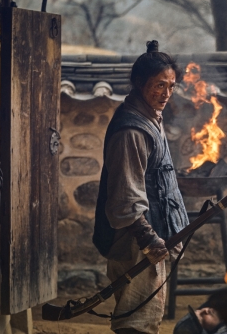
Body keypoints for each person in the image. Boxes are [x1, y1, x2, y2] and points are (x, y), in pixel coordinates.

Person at [92, 40, 190, 334]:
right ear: (138, 82)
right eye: (159, 85)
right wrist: (148, 239)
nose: (166, 94)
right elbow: (125, 194)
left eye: (171, 86)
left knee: (146, 317)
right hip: (136, 240)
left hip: (150, 236)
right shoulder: (132, 129)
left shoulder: (150, 118)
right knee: (136, 321)